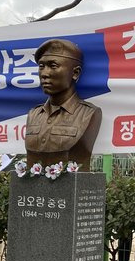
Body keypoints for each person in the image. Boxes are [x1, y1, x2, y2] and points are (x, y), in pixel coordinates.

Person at [25, 39, 102, 171]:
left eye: (53, 66)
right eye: (41, 66)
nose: (44, 74)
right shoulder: (34, 114)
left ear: (75, 73)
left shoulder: (88, 114)